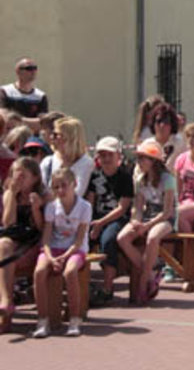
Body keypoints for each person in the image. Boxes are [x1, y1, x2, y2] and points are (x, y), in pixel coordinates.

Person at [32, 168, 92, 338]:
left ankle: (74, 320)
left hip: (75, 250)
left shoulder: (84, 207)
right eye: (56, 187)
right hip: (54, 248)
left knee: (70, 271)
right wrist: (51, 258)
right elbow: (46, 238)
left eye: (64, 186)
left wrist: (64, 258)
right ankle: (43, 320)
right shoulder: (51, 207)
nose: (60, 191)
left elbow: (79, 240)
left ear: (75, 185)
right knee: (39, 271)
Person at [117, 138, 177, 305]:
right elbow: (137, 206)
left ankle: (143, 283)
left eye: (143, 158)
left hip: (166, 219)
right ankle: (152, 272)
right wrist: (135, 221)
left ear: (153, 161)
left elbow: (167, 212)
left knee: (152, 237)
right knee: (122, 238)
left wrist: (146, 226)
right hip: (147, 217)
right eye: (138, 158)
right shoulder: (140, 179)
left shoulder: (168, 179)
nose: (139, 162)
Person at [0, 156, 46, 331]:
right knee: (4, 246)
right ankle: (6, 302)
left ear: (34, 178)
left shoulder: (44, 195)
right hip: (13, 242)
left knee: (6, 261)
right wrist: (11, 194)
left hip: (35, 243)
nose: (17, 179)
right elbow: (8, 223)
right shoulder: (9, 193)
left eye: (22, 175)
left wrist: (36, 209)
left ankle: (6, 313)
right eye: (14, 174)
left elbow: (42, 228)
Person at [86, 136, 134, 304]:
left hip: (117, 219)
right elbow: (90, 203)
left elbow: (122, 208)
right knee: (81, 240)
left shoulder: (125, 177)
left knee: (108, 241)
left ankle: (107, 287)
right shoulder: (94, 176)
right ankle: (80, 286)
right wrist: (88, 224)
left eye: (110, 155)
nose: (106, 159)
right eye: (102, 155)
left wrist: (100, 224)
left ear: (118, 156)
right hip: (96, 218)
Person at [40, 116, 94, 196]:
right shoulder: (48, 162)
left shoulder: (86, 163)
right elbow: (41, 191)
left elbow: (77, 193)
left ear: (69, 138)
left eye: (56, 135)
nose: (51, 137)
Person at [0, 58, 48, 131]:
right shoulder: (5, 91)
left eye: (35, 68)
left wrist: (18, 121)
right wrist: (32, 122)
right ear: (18, 71)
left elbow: (43, 123)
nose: (33, 71)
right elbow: (4, 117)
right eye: (29, 68)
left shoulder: (40, 96)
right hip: (9, 138)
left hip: (32, 139)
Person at [150, 101, 185, 172]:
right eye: (159, 121)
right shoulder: (147, 145)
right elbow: (138, 174)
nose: (162, 125)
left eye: (166, 122)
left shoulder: (181, 145)